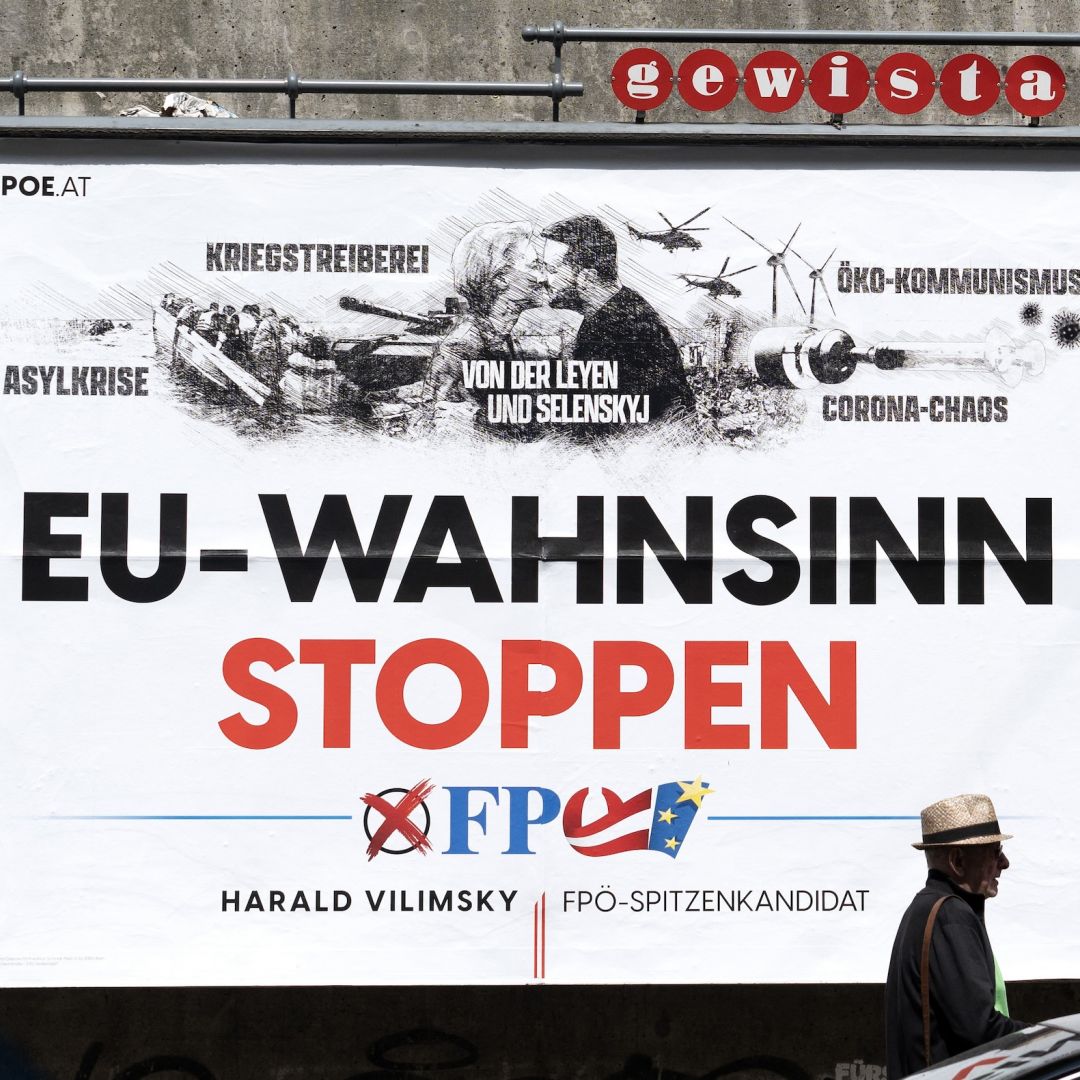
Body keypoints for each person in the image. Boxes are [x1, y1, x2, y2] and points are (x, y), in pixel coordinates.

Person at [886, 794, 1027, 1079]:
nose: (1005, 862)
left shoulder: (927, 908)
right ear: (958, 860)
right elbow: (979, 1029)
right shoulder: (951, 917)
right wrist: (1047, 1039)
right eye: (994, 851)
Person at [540, 214, 692, 423]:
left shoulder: (624, 331)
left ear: (587, 278)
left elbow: (601, 429)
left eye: (552, 270)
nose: (543, 279)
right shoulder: (611, 316)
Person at [426, 220, 546, 429]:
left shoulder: (503, 337)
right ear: (500, 279)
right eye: (535, 266)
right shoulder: (461, 346)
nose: (544, 277)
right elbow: (429, 419)